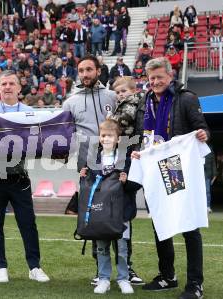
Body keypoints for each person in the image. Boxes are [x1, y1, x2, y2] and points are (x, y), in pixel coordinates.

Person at [130, 57, 209, 299]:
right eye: (151, 78)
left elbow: (201, 126)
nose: (155, 82)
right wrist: (138, 150)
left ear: (170, 76)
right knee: (160, 222)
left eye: (159, 77)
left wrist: (203, 134)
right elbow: (140, 134)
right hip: (154, 168)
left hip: (178, 167)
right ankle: (167, 276)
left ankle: (195, 283)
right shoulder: (145, 101)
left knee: (189, 226)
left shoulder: (186, 98)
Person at [0, 70, 50, 283]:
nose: (7, 87)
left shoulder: (29, 112)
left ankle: (34, 267)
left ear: (19, 87)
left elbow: (39, 138)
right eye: (3, 83)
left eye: (11, 83)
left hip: (19, 175)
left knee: (28, 223)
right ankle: (0, 267)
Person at [62, 55, 117, 283]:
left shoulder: (112, 97)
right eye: (81, 71)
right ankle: (100, 270)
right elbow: (65, 135)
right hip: (88, 167)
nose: (84, 74)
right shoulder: (70, 102)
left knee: (119, 214)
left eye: (89, 70)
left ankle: (128, 267)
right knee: (95, 216)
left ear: (99, 70)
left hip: (115, 164)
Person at [80, 119, 138, 294]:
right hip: (100, 213)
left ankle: (123, 278)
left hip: (121, 212)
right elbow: (89, 188)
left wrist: (127, 181)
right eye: (103, 135)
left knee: (122, 248)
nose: (106, 138)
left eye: (110, 135)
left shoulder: (126, 159)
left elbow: (136, 184)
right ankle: (103, 278)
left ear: (118, 139)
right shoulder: (92, 160)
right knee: (102, 247)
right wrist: (83, 177)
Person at [109, 76, 146, 285]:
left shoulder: (132, 105)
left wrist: (109, 123)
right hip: (118, 160)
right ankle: (105, 268)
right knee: (111, 216)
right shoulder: (122, 106)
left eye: (124, 91)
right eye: (118, 92)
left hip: (128, 160)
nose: (121, 95)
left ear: (133, 91)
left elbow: (118, 126)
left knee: (124, 216)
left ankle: (126, 267)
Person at [204, 148, 217, 213]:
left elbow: (213, 163)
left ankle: (208, 206)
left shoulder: (210, 149)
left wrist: (215, 174)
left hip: (207, 174)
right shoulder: (195, 147)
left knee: (207, 191)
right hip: (198, 173)